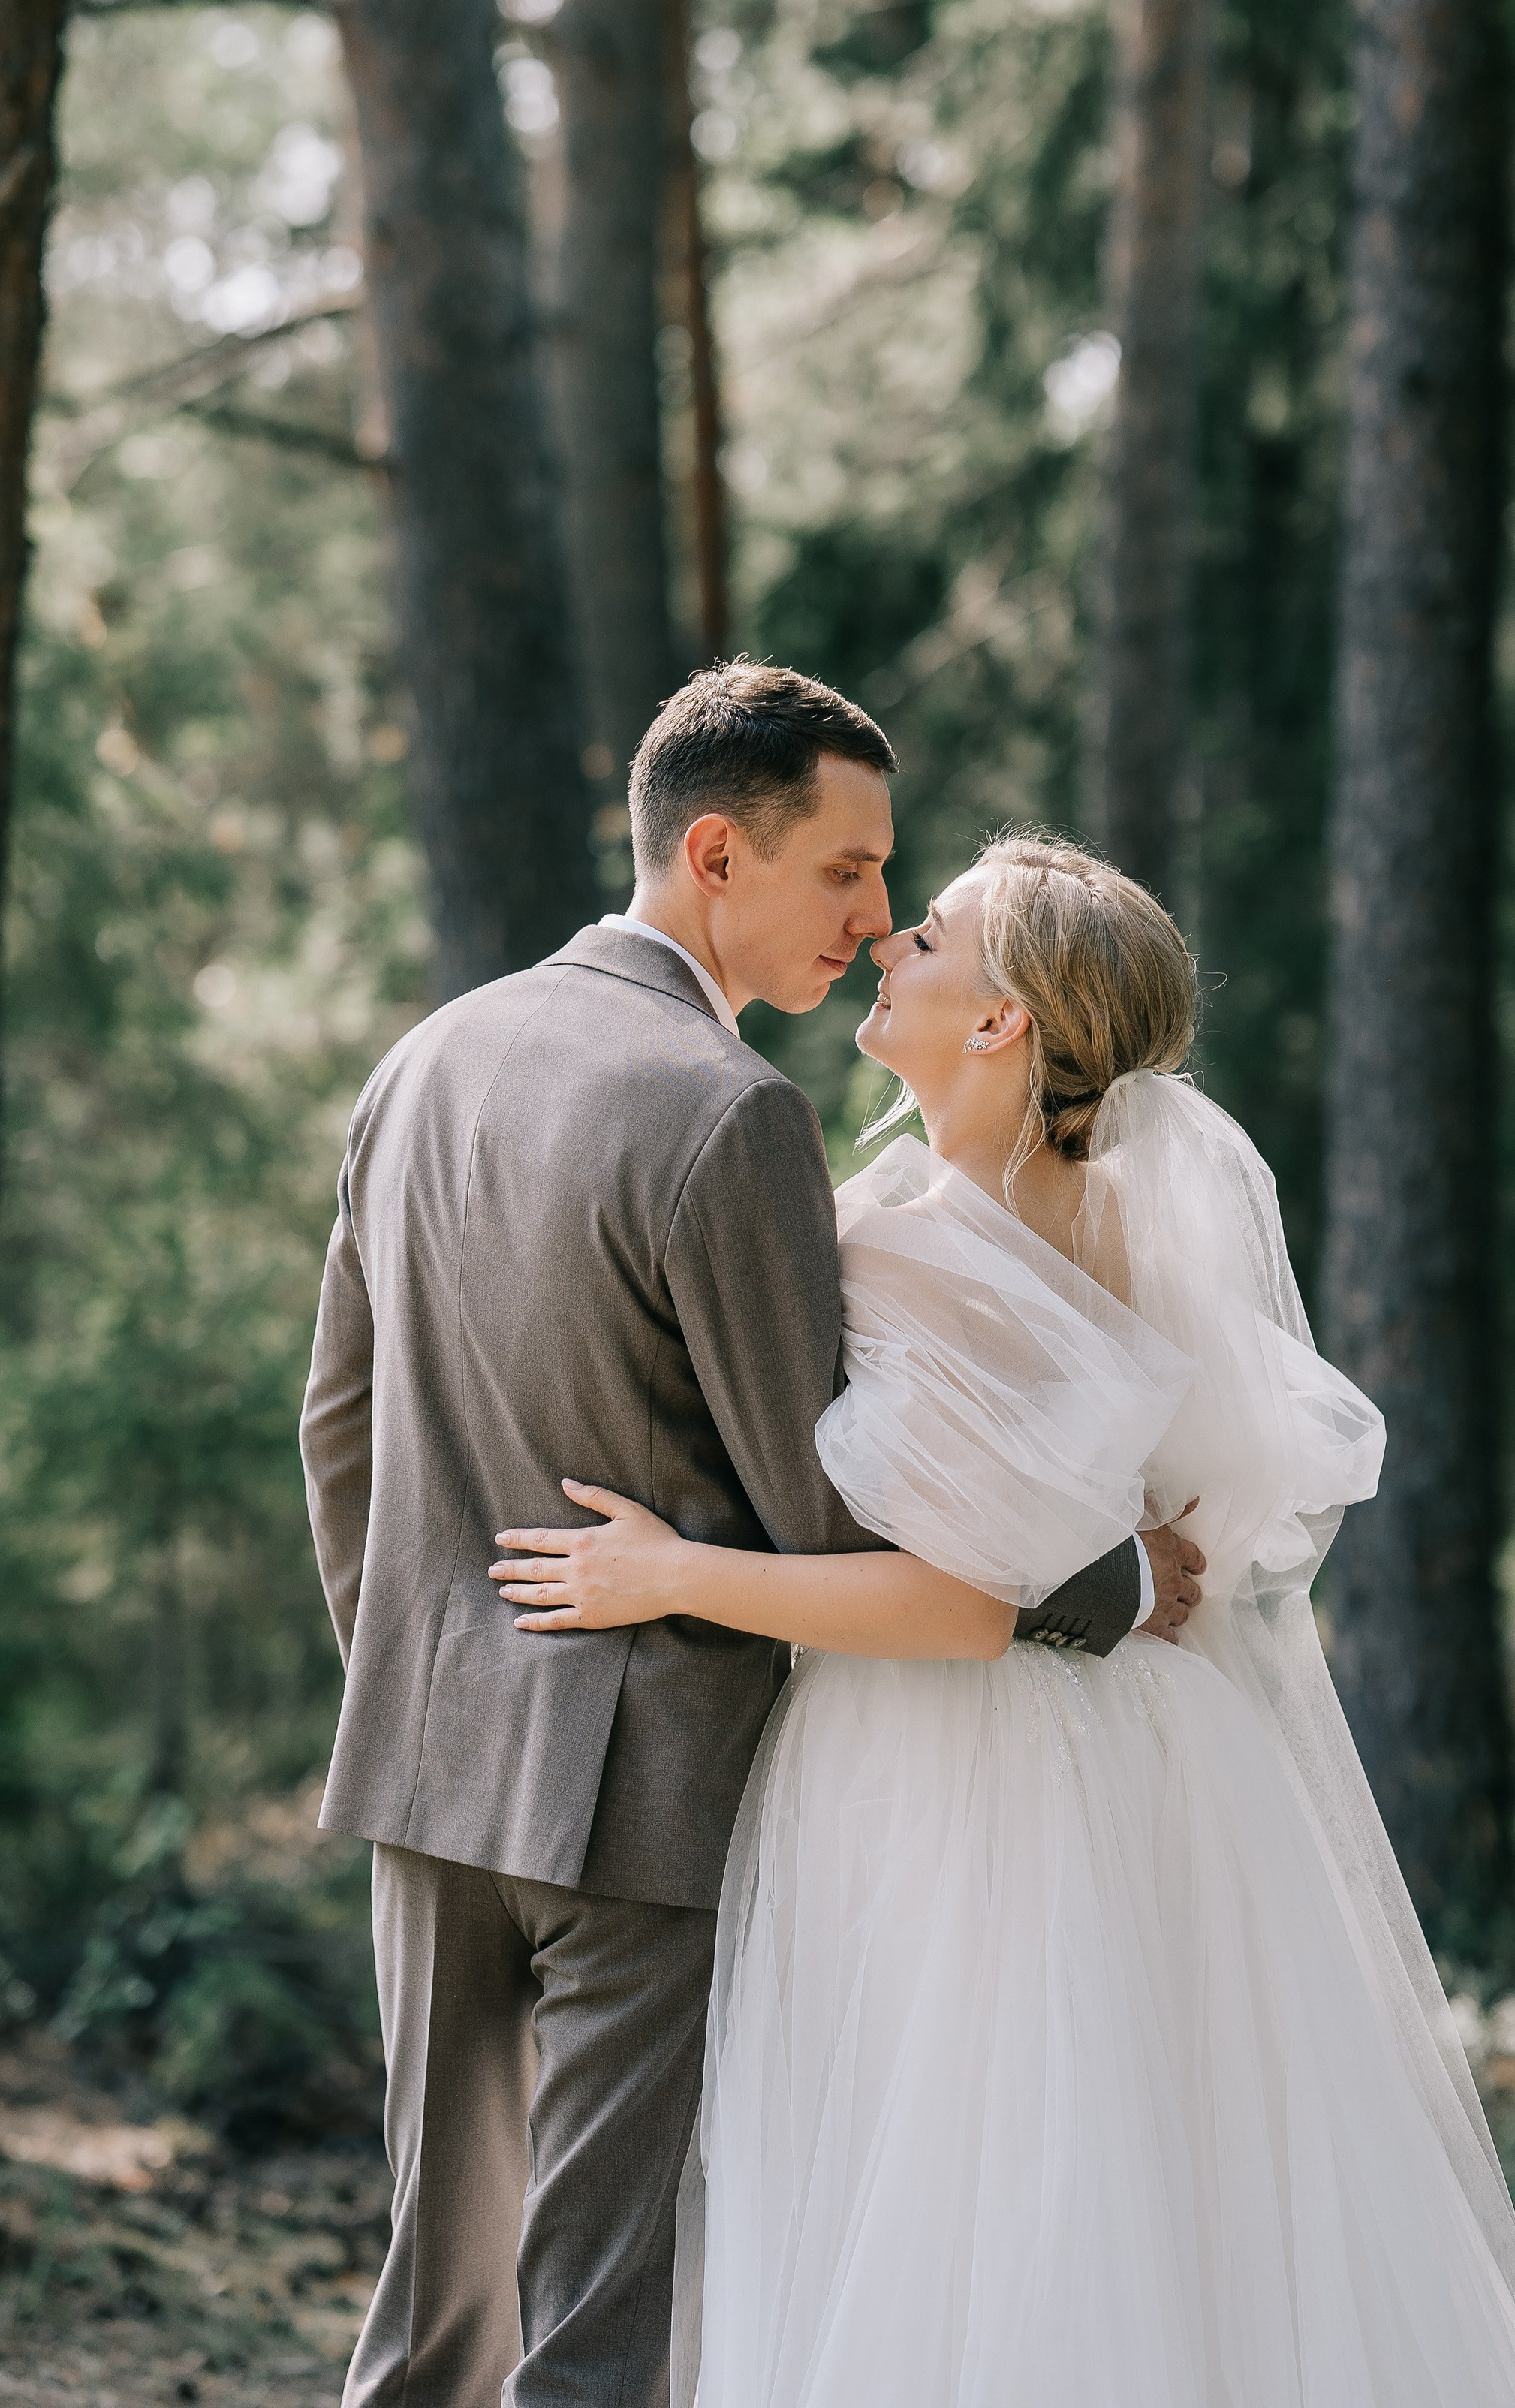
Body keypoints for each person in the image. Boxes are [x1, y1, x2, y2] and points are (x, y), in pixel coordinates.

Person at [494, 834, 1515, 2408]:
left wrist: (668, 1575)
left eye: (926, 939)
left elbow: (950, 1608)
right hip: (1162, 1763)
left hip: (946, 1780)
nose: (886, 947)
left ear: (1001, 1022)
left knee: (955, 2203)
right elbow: (1123, 1533)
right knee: (1171, 2208)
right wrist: (1120, 1576)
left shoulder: (898, 1242)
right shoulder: (1134, 1224)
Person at [298, 671, 1200, 2408]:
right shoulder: (726, 1116)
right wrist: (1100, 1576)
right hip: (644, 1790)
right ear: (716, 852)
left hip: (424, 1766)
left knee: (435, 2311)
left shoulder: (420, 1063)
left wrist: (418, 1670)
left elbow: (339, 1425)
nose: (873, 921)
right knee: (594, 2322)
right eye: (847, 872)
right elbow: (827, 1492)